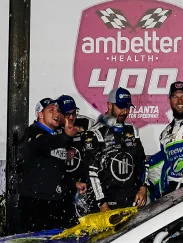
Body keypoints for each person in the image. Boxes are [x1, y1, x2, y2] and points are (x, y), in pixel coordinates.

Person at [141, 81, 183, 202]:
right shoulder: (165, 133)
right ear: (170, 100)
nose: (179, 101)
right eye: (175, 97)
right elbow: (164, 165)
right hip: (173, 192)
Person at [18, 97, 78, 232]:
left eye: (57, 111)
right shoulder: (32, 132)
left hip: (57, 201)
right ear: (40, 114)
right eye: (51, 110)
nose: (56, 114)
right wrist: (65, 136)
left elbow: (57, 170)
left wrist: (73, 183)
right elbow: (43, 143)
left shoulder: (57, 136)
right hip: (36, 203)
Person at [84, 87, 146, 211]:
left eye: (127, 107)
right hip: (108, 204)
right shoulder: (95, 133)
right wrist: (101, 203)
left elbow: (142, 162)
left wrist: (143, 188)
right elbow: (91, 173)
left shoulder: (132, 130)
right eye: (121, 107)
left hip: (132, 201)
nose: (125, 111)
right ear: (109, 105)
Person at [57, 94, 89, 222]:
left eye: (74, 113)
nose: (71, 118)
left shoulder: (86, 123)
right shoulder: (52, 128)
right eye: (67, 115)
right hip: (62, 186)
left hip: (83, 185)